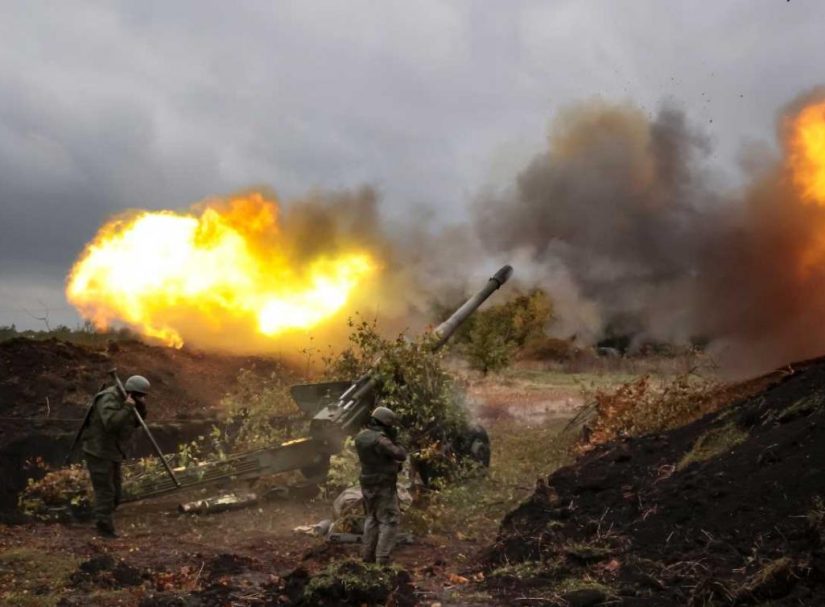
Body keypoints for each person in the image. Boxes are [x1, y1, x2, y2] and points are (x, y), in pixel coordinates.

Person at [82, 375, 150, 538]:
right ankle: (104, 529)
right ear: (130, 392)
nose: (141, 398)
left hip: (113, 451)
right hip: (98, 451)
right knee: (105, 491)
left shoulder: (129, 399)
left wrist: (140, 407)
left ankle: (102, 518)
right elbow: (111, 424)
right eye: (139, 395)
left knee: (116, 493)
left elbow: (135, 422)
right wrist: (127, 407)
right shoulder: (109, 398)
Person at [354, 405, 407, 565]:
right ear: (386, 422)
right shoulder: (381, 440)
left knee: (372, 518)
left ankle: (367, 557)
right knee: (389, 520)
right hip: (382, 485)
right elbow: (400, 455)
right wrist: (397, 440)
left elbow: (377, 459)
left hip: (367, 483)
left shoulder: (361, 436)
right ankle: (382, 560)